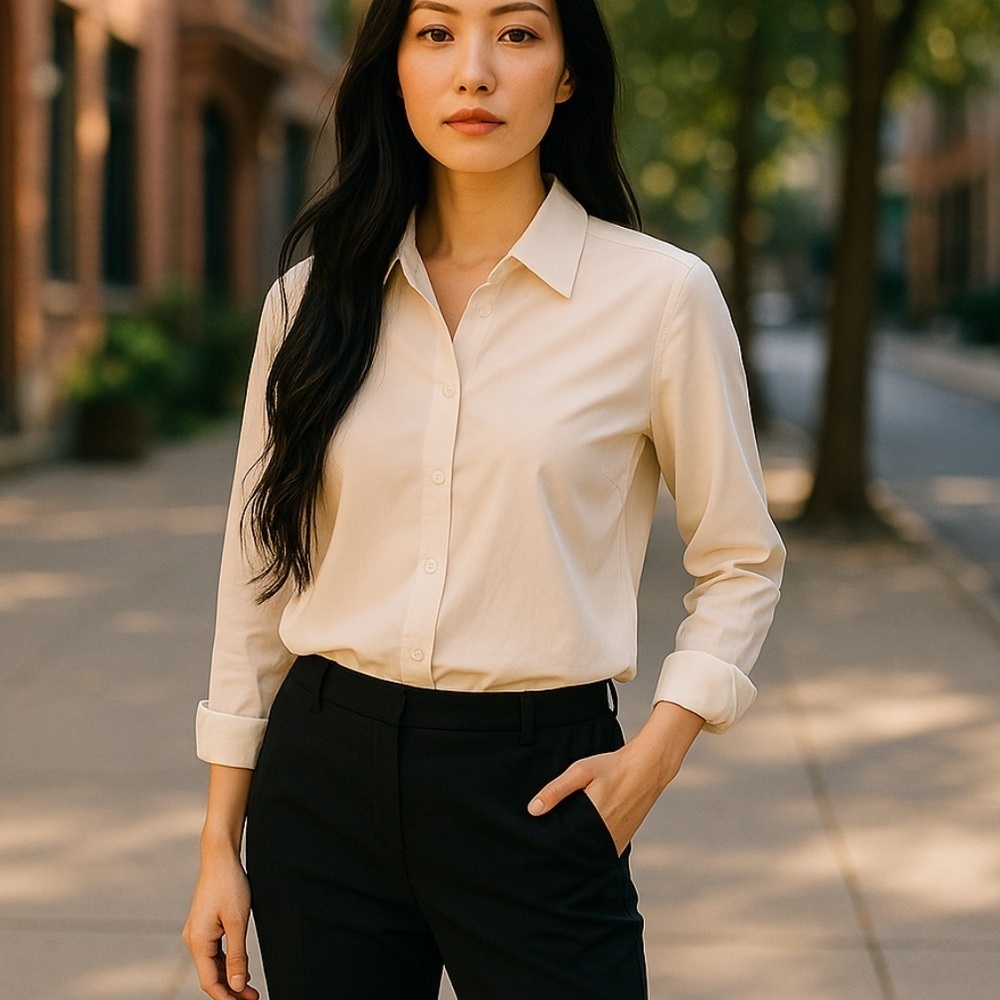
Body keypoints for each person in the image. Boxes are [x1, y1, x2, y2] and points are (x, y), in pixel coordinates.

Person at [182, 0, 785, 996]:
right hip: (322, 773)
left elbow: (740, 559)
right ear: (395, 69)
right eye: (435, 33)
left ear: (567, 73)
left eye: (515, 33)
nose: (473, 71)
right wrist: (217, 839)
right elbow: (258, 574)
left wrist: (656, 754)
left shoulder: (658, 298)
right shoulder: (308, 302)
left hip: (537, 785)